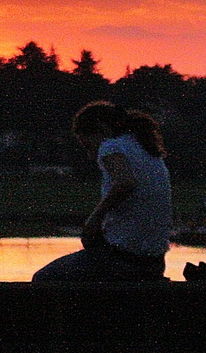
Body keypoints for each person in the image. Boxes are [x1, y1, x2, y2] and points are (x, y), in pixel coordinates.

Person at [32, 101, 172, 282]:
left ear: (101, 129)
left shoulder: (110, 146)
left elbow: (126, 182)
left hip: (123, 261)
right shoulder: (145, 148)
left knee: (43, 278)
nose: (91, 155)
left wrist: (93, 220)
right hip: (154, 263)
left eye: (88, 146)